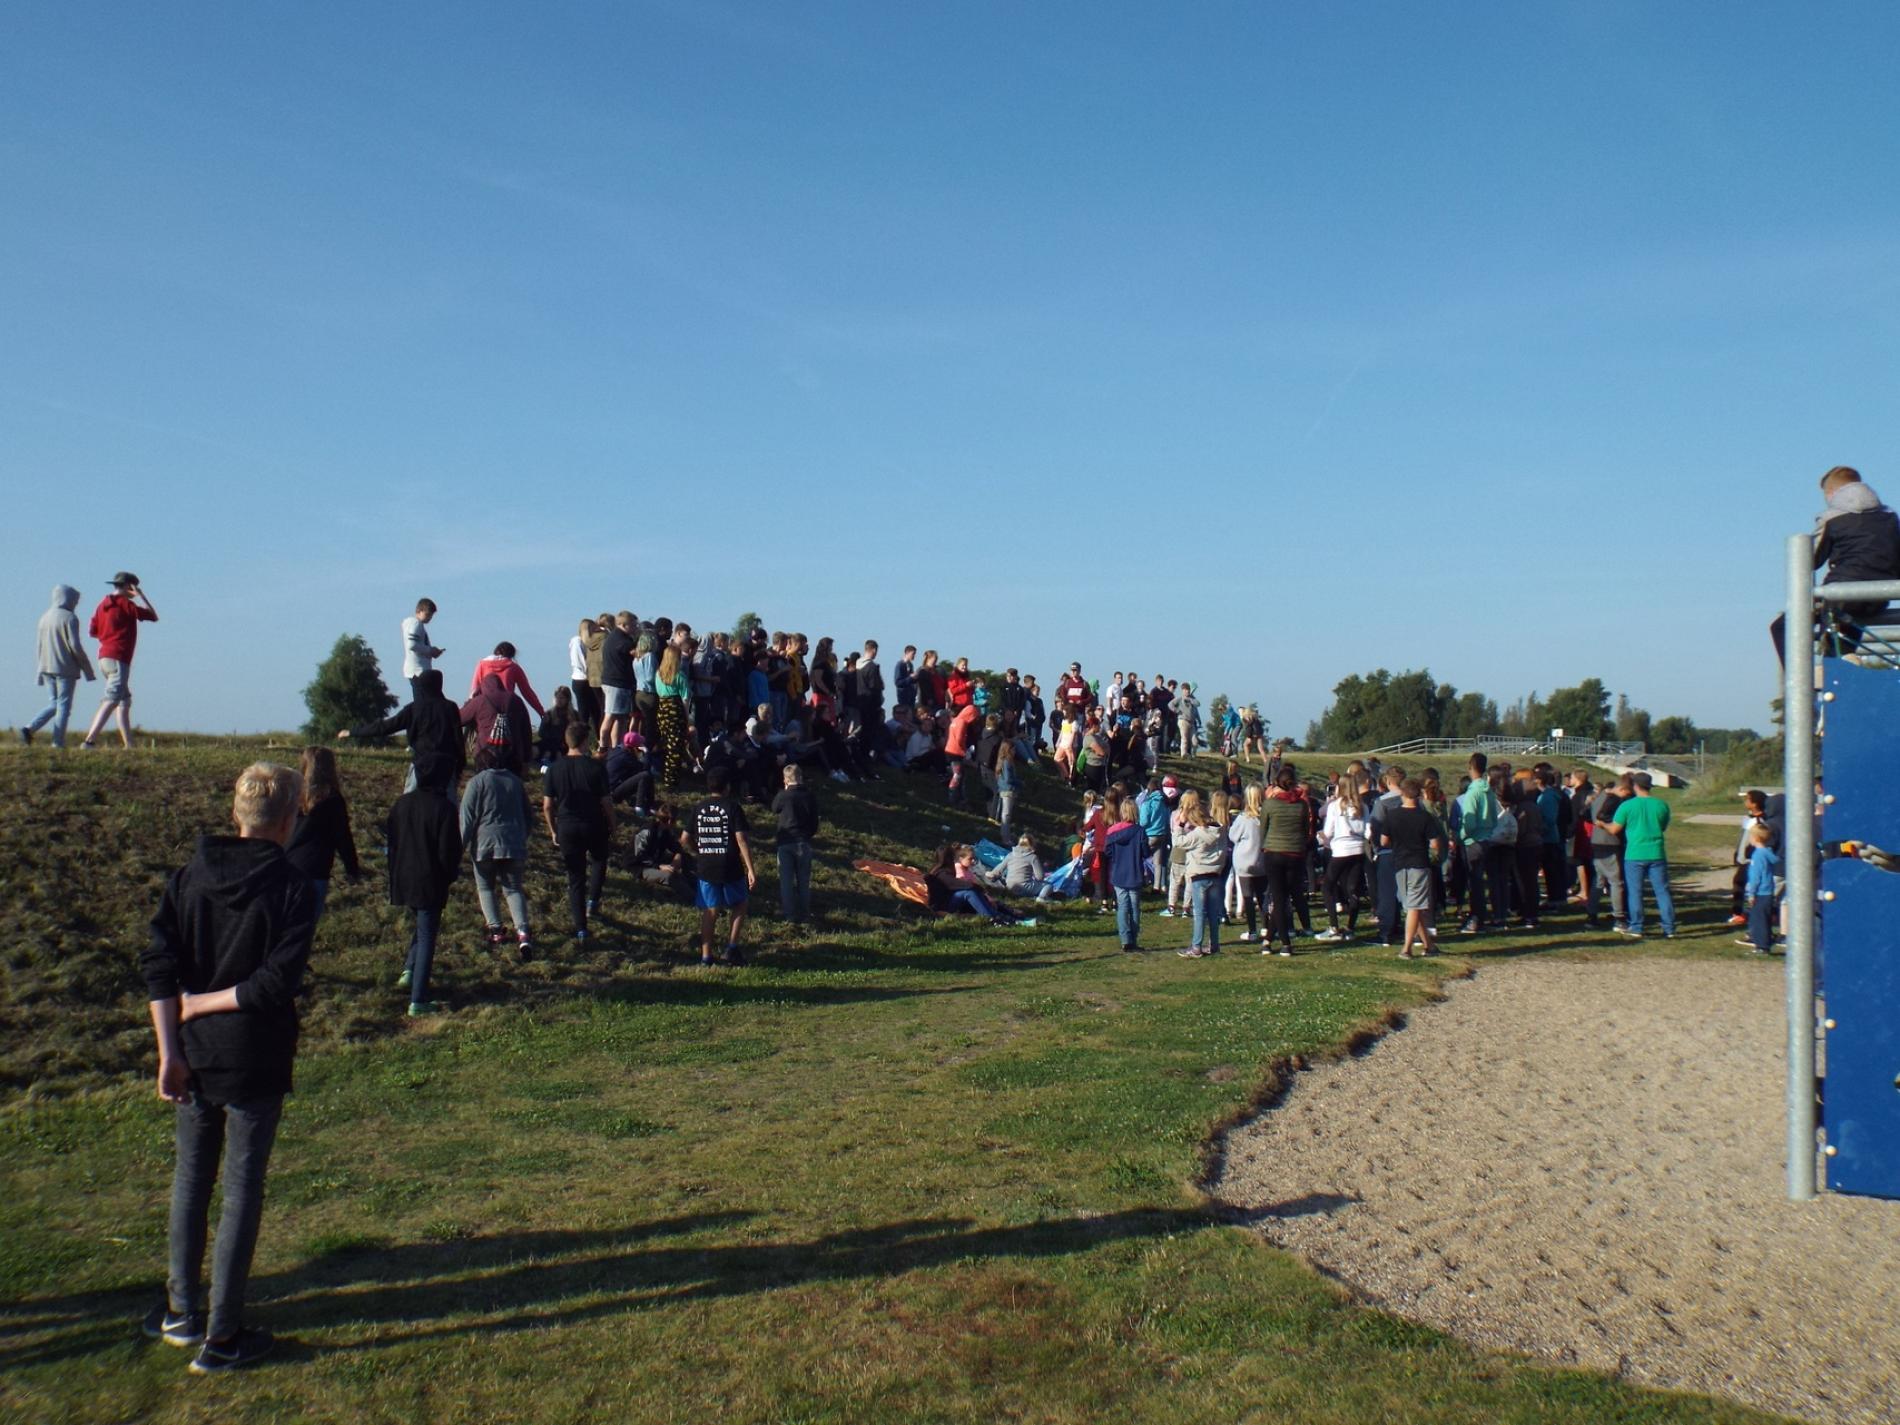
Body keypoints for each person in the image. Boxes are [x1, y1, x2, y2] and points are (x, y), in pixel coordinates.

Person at [138, 762, 314, 1373]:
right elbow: (274, 984)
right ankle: (222, 1334)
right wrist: (195, 1014)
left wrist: (171, 1046)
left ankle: (182, 1310)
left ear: (236, 813)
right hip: (253, 1053)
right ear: (288, 820)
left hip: (193, 1050)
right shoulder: (292, 887)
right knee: (239, 1189)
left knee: (192, 1181)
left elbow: (160, 965)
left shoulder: (189, 876)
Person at [1770, 466, 1900, 663]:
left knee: (1782, 626)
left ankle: (1804, 678)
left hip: (1841, 596)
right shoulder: (1890, 517)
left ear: (1831, 493)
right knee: (1844, 632)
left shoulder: (1832, 518)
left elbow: (1810, 560)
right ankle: (1844, 658)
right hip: (1880, 597)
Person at [385, 773, 463, 1017]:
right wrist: (449, 876)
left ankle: (410, 970)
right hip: (430, 879)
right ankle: (418, 998)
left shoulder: (401, 804)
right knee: (428, 935)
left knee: (421, 929)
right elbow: (449, 852)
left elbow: (392, 843)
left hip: (404, 876)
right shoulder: (445, 809)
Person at [460, 745, 534, 960]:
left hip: (484, 844)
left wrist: (459, 848)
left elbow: (467, 820)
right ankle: (523, 932)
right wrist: (522, 837)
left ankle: (496, 930)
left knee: (485, 888)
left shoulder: (476, 783)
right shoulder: (515, 782)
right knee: (513, 889)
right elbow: (529, 816)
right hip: (513, 844)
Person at [337, 669, 464, 795]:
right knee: (449, 805)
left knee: (408, 803)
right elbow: (458, 739)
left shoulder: (413, 709)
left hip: (421, 765)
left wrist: (353, 732)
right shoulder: (450, 707)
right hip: (446, 766)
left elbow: (386, 727)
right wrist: (459, 767)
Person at [543, 724, 613, 943]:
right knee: (599, 860)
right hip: (593, 823)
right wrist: (613, 823)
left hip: (567, 825)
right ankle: (593, 901)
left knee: (575, 878)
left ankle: (581, 928)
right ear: (584, 741)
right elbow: (606, 802)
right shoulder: (596, 767)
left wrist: (553, 830)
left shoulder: (554, 769)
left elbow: (547, 805)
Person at [80, 572, 158, 750]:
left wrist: (110, 634)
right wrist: (141, 596)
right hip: (118, 657)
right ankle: (89, 741)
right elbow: (153, 616)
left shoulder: (102, 605)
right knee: (112, 699)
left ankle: (129, 744)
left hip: (104, 657)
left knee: (124, 701)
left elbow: (93, 631)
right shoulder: (125, 603)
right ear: (130, 587)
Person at [284, 746, 360, 922]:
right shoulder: (332, 798)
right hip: (315, 869)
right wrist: (352, 868)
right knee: (305, 926)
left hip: (287, 865)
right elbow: (343, 837)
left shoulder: (292, 794)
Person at [690, 768, 757, 965]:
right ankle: (732, 947)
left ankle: (706, 956)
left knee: (710, 910)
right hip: (729, 864)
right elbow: (741, 838)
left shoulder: (698, 807)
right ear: (727, 787)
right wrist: (750, 868)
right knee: (740, 903)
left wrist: (699, 850)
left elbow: (684, 837)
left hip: (706, 866)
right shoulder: (733, 807)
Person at [21, 583, 95, 748]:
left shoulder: (44, 617)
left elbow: (39, 646)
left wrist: (39, 671)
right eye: (75, 601)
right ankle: (57, 742)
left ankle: (29, 728)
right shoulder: (70, 618)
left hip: (46, 667)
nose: (75, 604)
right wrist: (88, 670)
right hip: (65, 668)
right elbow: (75, 646)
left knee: (54, 703)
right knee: (63, 707)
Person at [1382, 778, 1445, 958]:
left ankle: (1429, 945)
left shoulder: (1392, 815)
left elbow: (1383, 841)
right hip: (1419, 862)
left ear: (1402, 793)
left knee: (1411, 906)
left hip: (1399, 863)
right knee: (1414, 907)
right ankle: (1407, 948)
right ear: (1418, 794)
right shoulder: (1424, 817)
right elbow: (1435, 844)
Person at [1613, 773, 1675, 938]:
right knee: (1662, 891)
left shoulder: (1627, 805)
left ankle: (1637, 926)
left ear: (1635, 786)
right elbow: (1662, 826)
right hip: (1656, 852)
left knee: (1635, 892)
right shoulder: (1661, 805)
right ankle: (1669, 927)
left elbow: (1615, 828)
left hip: (1635, 852)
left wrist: (1602, 824)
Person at [1258, 765, 1311, 956]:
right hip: (1295, 853)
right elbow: (1305, 830)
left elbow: (1263, 829)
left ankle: (1285, 943)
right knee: (1283, 897)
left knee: (1279, 899)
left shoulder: (1270, 804)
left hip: (1274, 852)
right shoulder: (1301, 805)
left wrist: (1264, 846)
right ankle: (1268, 940)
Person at [1317, 772, 1368, 942]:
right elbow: (1368, 831)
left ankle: (1334, 926)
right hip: (1358, 848)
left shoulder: (1335, 806)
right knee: (1353, 889)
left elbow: (1328, 831)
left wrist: (1321, 836)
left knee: (1327, 886)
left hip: (1341, 849)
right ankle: (1350, 928)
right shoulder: (1362, 806)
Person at [1173, 792, 1225, 958]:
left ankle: (1196, 946)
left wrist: (1180, 825)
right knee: (1213, 913)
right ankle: (1214, 944)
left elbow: (1178, 843)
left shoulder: (1197, 834)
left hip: (1199, 875)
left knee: (1199, 913)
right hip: (1215, 874)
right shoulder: (1220, 830)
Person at [925, 843, 1029, 925]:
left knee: (977, 896)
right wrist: (981, 890)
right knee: (969, 892)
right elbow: (966, 885)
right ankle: (994, 918)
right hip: (943, 908)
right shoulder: (942, 874)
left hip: (949, 902)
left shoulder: (940, 871)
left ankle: (1012, 916)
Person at [771, 764, 819, 925]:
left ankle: (789, 915)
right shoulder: (809, 796)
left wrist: (783, 790)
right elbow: (814, 822)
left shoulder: (783, 795)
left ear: (785, 779)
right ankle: (805, 913)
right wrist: (808, 835)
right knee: (803, 881)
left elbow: (774, 808)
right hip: (803, 842)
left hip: (785, 841)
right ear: (801, 778)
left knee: (786, 882)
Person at [460, 671, 534, 776]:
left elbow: (459, 718)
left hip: (485, 755)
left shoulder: (480, 701)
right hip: (513, 754)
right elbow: (526, 731)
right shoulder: (516, 700)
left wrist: (470, 701)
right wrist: (526, 759)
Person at [1728, 790, 1780, 926]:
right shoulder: (1749, 818)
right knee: (1740, 883)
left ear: (1755, 803)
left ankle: (1741, 913)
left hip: (1751, 859)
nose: (1745, 802)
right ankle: (1742, 912)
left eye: (1748, 799)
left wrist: (1747, 855)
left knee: (1745, 884)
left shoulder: (1760, 821)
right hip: (1744, 857)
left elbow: (1758, 839)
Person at [1587, 773, 1631, 932]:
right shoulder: (1615, 800)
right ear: (1623, 789)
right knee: (1616, 881)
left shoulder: (1599, 796)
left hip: (1596, 840)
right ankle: (1619, 918)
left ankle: (1591, 915)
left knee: (1598, 880)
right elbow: (1604, 818)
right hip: (1610, 841)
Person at [1105, 799, 1147, 952]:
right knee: (1134, 908)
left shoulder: (1112, 831)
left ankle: (1125, 940)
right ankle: (1133, 940)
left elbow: (1107, 851)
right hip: (1134, 872)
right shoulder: (1140, 831)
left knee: (1122, 907)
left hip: (1118, 873)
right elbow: (1146, 852)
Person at [1228, 785, 1267, 945]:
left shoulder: (1243, 818)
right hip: (1262, 861)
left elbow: (1232, 836)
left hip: (1244, 862)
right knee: (1262, 896)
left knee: (1248, 897)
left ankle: (1252, 930)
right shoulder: (1266, 816)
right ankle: (1266, 927)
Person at [467, 641, 544, 717]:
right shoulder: (514, 667)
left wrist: (469, 711)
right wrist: (541, 712)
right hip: (507, 707)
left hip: (486, 708)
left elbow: (474, 691)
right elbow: (527, 692)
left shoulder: (482, 664)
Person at [598, 611, 637, 752]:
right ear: (625, 625)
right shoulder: (621, 640)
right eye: (633, 625)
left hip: (616, 682)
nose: (635, 628)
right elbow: (634, 651)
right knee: (611, 714)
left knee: (619, 717)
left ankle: (617, 746)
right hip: (616, 683)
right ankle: (603, 746)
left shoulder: (613, 638)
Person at [1740, 822, 1780, 953]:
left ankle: (1761, 946)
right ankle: (1765, 942)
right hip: (1768, 891)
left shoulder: (1758, 855)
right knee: (1764, 918)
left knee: (1758, 919)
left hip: (1760, 892)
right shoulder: (1768, 853)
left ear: (1756, 838)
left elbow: (1756, 876)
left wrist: (1751, 893)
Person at [400, 597, 443, 698]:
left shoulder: (410, 624)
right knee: (424, 698)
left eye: (431, 616)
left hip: (415, 669)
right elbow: (412, 645)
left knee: (422, 698)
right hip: (418, 670)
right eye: (427, 615)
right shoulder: (416, 624)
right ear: (419, 611)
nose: (429, 618)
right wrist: (430, 651)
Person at [536, 685, 580, 772]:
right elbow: (541, 732)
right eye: (557, 697)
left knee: (560, 752)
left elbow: (577, 732)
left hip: (566, 743)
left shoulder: (574, 714)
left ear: (567, 699)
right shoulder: (549, 714)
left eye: (562, 698)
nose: (559, 700)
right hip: (550, 742)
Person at [570, 618, 604, 732]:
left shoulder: (590, 643)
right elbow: (579, 661)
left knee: (596, 712)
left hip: (589, 680)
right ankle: (580, 738)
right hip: (581, 680)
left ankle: (599, 738)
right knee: (584, 713)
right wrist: (589, 671)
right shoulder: (577, 641)